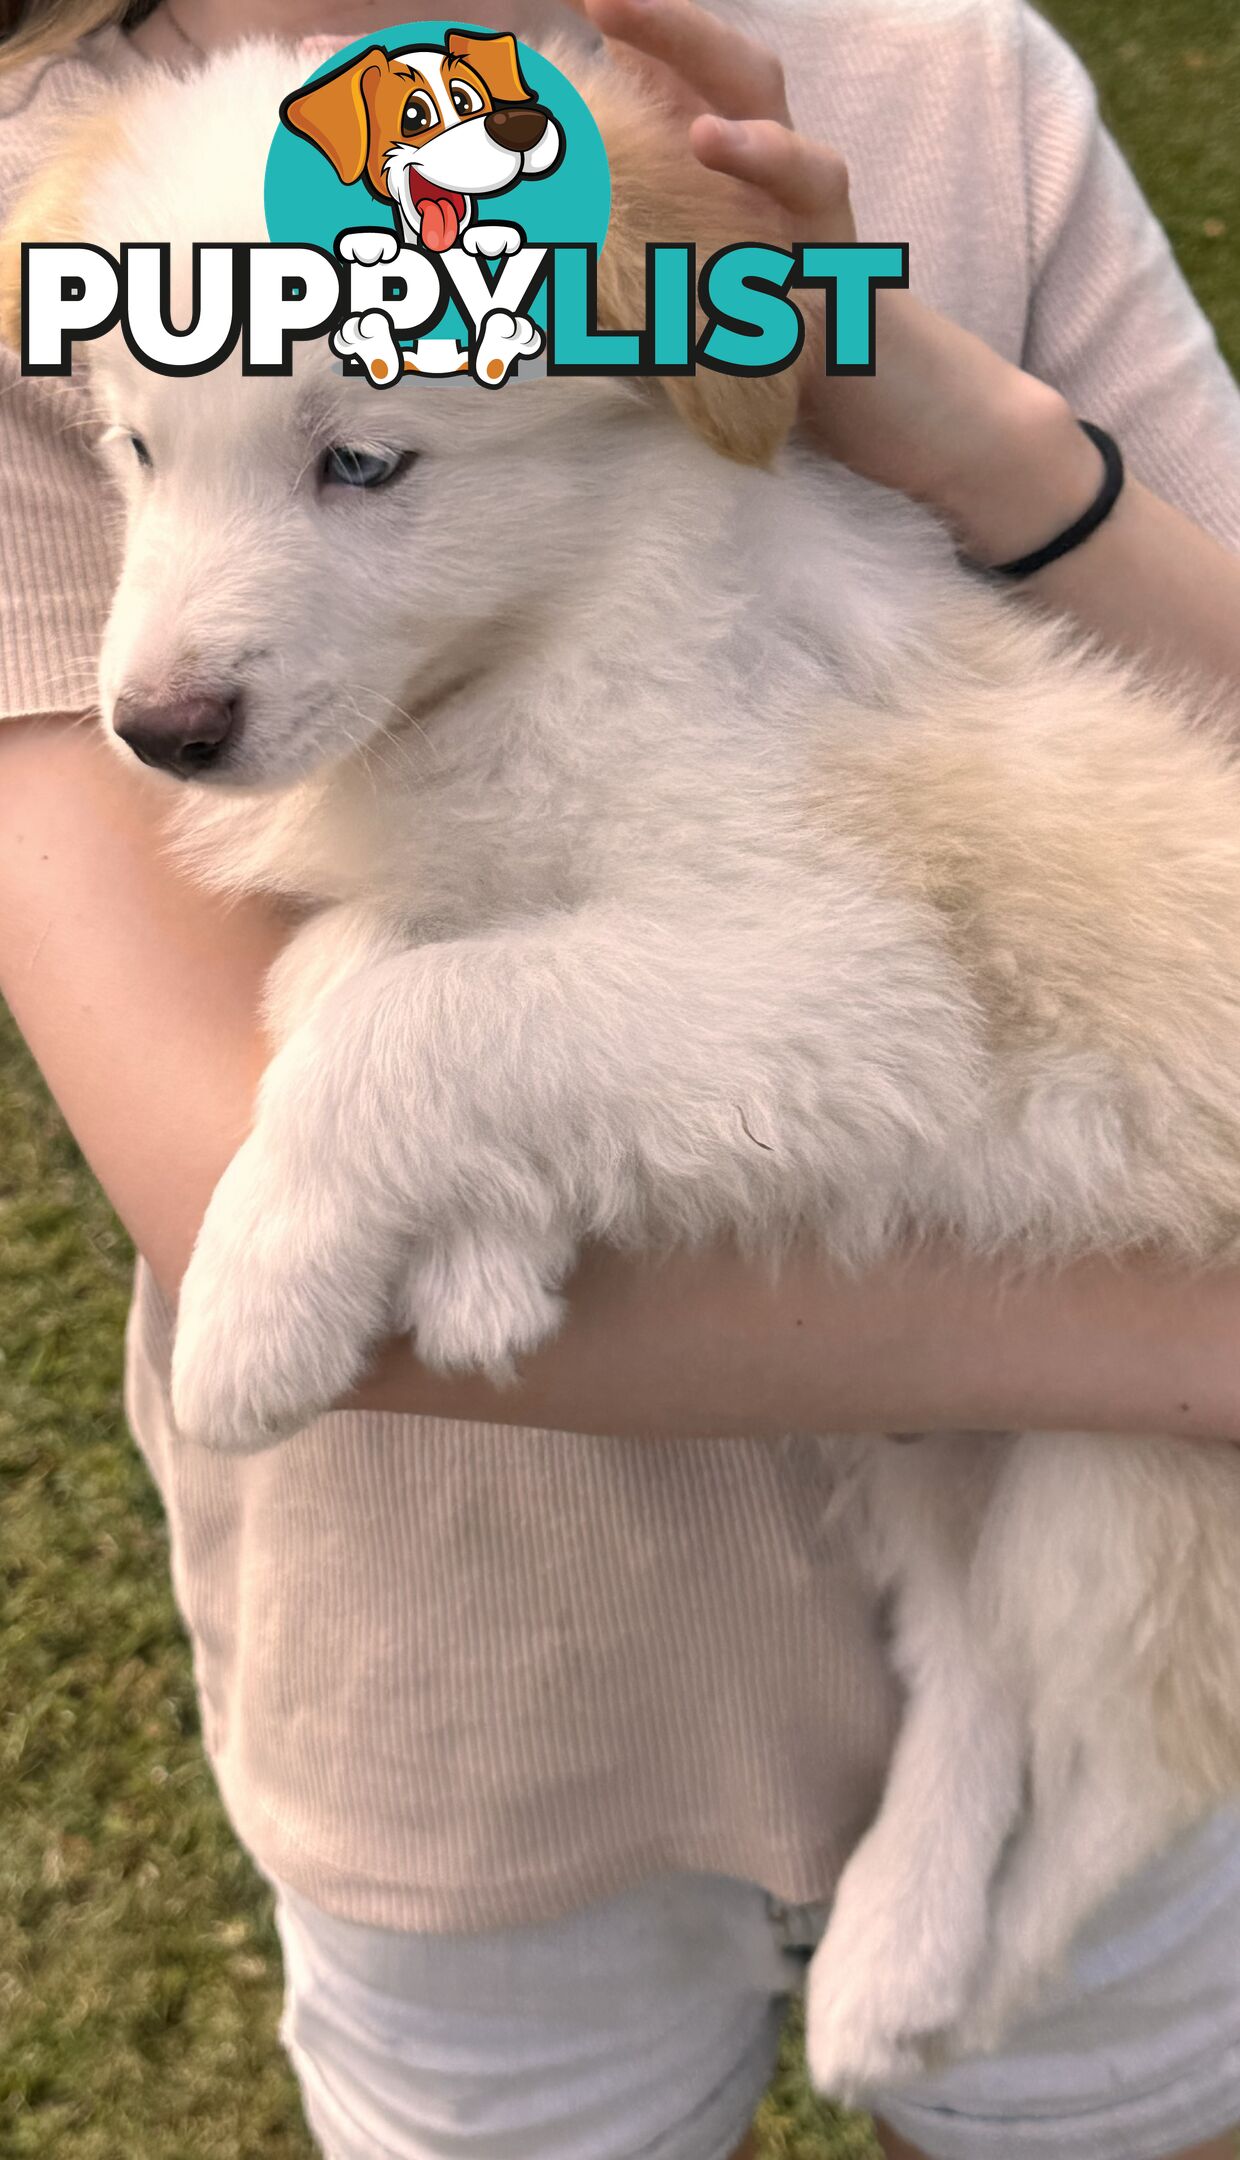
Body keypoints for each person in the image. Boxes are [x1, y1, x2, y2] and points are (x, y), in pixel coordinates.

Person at [2, 0, 1240, 2155]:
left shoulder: (943, 83)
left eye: (361, 457)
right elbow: (253, 1229)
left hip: (1083, 1675)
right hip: (476, 1728)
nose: (164, 659)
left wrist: (974, 436)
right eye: (136, 450)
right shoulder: (88, 191)